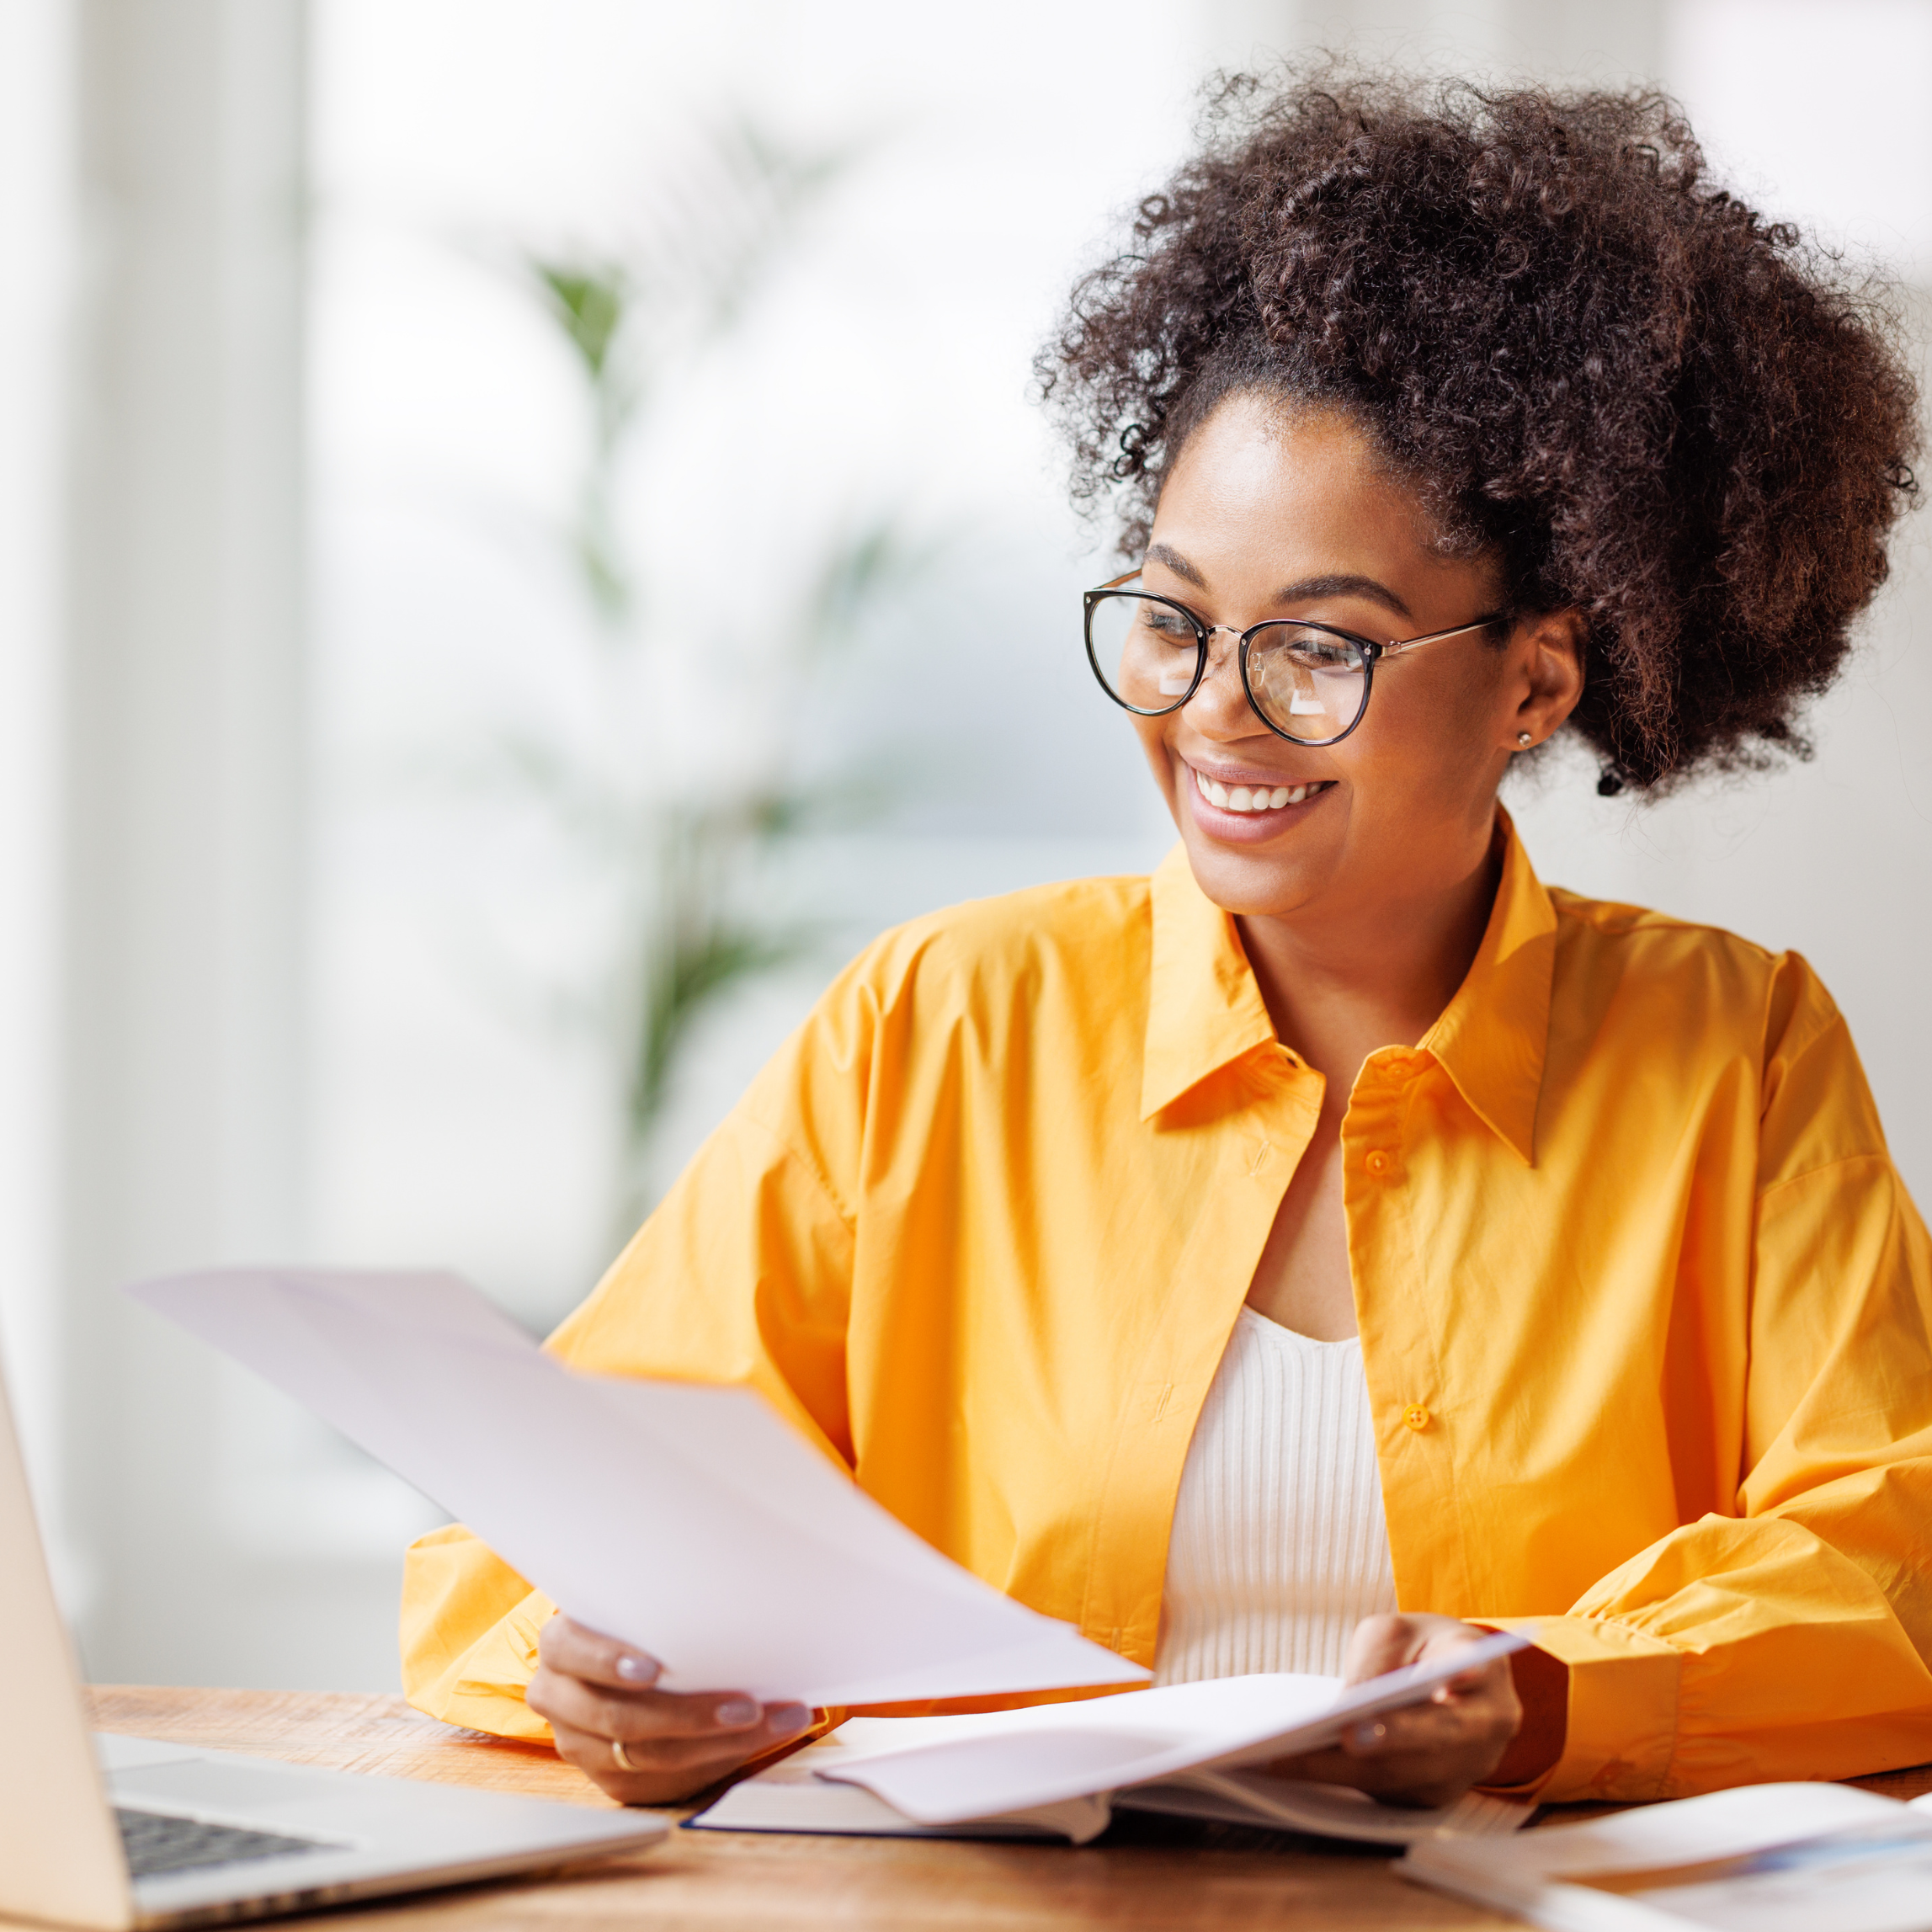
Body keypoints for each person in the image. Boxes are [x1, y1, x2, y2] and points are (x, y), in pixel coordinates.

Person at [399, 70, 1932, 1811]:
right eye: (1171, 619)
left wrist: (1541, 1699)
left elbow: (1889, 1571)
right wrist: (595, 1665)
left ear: (1535, 679)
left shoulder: (1737, 1052)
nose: (1215, 715)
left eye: (1317, 648)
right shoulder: (942, 1024)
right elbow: (548, 1519)